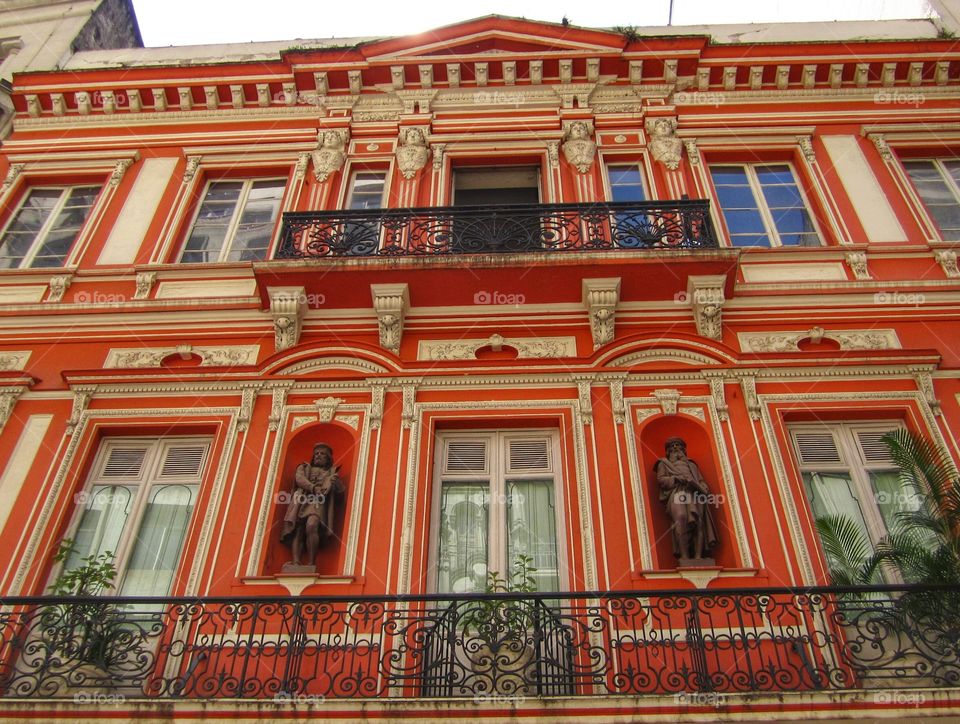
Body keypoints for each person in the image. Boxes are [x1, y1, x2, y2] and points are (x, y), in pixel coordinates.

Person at [281, 442, 346, 570]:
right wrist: (313, 488)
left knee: (312, 524)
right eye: (316, 453)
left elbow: (340, 494)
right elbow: (299, 479)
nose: (318, 455)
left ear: (328, 458)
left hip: (318, 502)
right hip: (301, 499)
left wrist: (336, 483)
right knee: (298, 529)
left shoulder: (331, 473)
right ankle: (296, 562)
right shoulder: (303, 467)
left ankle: (311, 563)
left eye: (322, 454)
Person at [654, 437, 718, 561]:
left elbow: (701, 480)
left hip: (694, 493)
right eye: (672, 445)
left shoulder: (691, 464)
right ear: (668, 451)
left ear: (683, 449)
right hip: (677, 492)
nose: (675, 447)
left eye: (678, 445)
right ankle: (684, 556)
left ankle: (698, 556)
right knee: (681, 517)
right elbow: (661, 480)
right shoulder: (663, 464)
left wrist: (703, 486)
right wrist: (676, 479)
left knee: (699, 522)